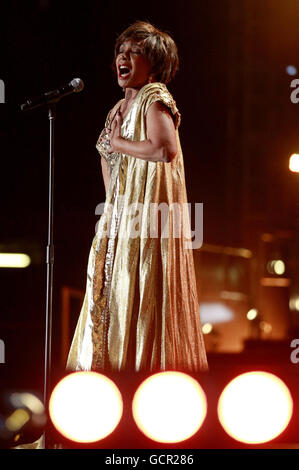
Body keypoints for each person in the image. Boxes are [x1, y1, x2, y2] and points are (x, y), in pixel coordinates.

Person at [66, 21, 208, 373]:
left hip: (149, 220)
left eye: (135, 52)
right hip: (120, 220)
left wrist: (119, 144)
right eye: (120, 51)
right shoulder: (117, 110)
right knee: (111, 299)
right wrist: (110, 216)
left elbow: (164, 149)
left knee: (142, 294)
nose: (123, 57)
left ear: (154, 64)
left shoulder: (154, 97)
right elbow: (111, 166)